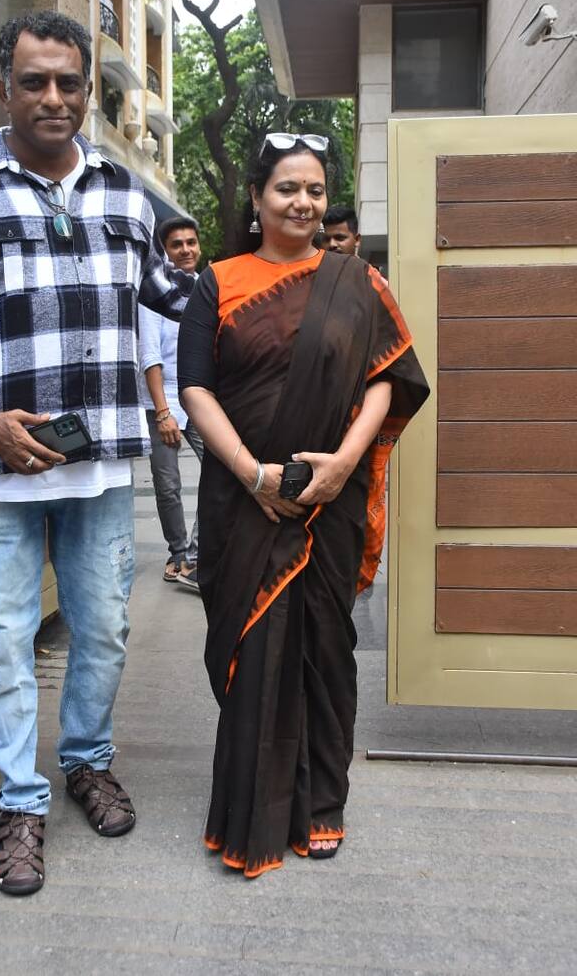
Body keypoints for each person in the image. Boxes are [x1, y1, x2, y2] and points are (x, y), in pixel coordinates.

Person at [0, 10, 194, 896]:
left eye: (69, 82)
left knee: (104, 629)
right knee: (2, 640)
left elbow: (182, 300)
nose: (53, 97)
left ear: (88, 90)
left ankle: (86, 760)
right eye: (34, 81)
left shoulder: (126, 196)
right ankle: (20, 799)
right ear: (3, 88)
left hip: (98, 472)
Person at [178, 132, 428, 877]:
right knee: (253, 647)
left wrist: (345, 462)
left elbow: (388, 376)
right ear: (257, 199)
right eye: (287, 188)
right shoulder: (217, 281)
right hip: (242, 498)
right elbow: (196, 388)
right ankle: (252, 810)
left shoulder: (357, 281)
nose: (303, 203)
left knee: (324, 645)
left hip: (330, 501)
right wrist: (252, 474)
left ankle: (322, 802)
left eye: (315, 190)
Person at [140, 216, 204, 591]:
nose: (185, 249)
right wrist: (163, 413)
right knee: (168, 485)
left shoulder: (207, 287)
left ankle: (196, 554)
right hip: (161, 400)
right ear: (164, 251)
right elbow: (150, 355)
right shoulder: (154, 292)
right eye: (176, 244)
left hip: (200, 398)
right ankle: (179, 554)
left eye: (191, 242)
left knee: (221, 472)